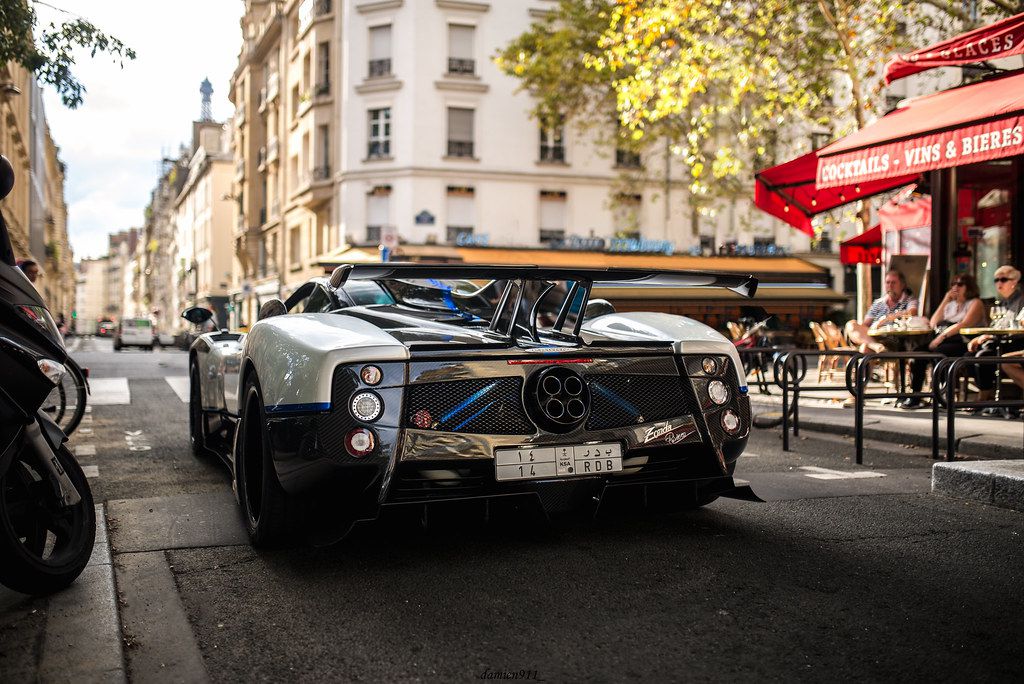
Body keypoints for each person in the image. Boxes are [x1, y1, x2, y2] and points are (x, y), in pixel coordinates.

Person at [900, 274, 985, 409]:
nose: (955, 287)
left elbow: (963, 324)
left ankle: (943, 394)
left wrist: (941, 337)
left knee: (940, 354)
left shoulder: (975, 303)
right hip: (942, 340)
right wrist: (946, 299)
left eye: (960, 284)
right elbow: (933, 323)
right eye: (953, 284)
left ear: (969, 287)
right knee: (918, 354)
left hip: (964, 342)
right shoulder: (950, 305)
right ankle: (915, 395)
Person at [967, 264, 1024, 404]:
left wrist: (991, 335)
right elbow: (995, 326)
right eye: (996, 280)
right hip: (999, 341)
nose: (999, 283)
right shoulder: (1001, 302)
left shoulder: (1021, 300)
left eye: (1003, 279)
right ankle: (989, 395)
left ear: (1014, 282)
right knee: (968, 357)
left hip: (1015, 342)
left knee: (984, 357)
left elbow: (1016, 326)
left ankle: (984, 399)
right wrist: (982, 336)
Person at [845, 269, 919, 352]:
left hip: (895, 341)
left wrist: (887, 318)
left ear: (902, 285)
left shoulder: (909, 300)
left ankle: (877, 348)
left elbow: (912, 312)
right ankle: (877, 347)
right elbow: (865, 325)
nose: (890, 286)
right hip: (876, 338)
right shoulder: (878, 303)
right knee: (851, 325)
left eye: (893, 283)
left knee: (865, 349)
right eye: (887, 282)